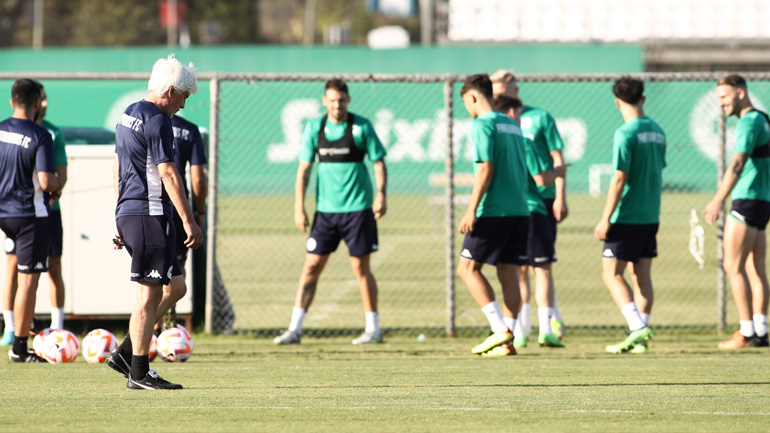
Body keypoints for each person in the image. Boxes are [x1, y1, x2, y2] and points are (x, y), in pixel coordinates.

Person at [107, 55, 202, 389]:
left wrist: (120, 214)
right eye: (184, 97)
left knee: (176, 288)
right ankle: (138, 372)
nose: (183, 105)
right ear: (171, 91)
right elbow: (168, 173)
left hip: (131, 212)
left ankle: (126, 352)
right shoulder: (158, 119)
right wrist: (189, 221)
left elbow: (118, 167)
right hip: (149, 214)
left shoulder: (128, 113)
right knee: (147, 298)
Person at [273, 79, 388, 346]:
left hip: (358, 210)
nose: (338, 105)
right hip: (325, 213)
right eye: (333, 101)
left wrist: (381, 193)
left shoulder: (361, 127)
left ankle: (373, 329)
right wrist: (299, 207)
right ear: (325, 101)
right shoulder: (316, 128)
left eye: (342, 100)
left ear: (349, 100)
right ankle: (294, 329)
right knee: (311, 267)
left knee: (361, 268)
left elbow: (379, 163)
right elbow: (304, 170)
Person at [490, 69, 567, 346]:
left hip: (534, 202)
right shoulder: (508, 132)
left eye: (501, 91)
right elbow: (545, 174)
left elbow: (556, 156)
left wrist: (560, 196)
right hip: (525, 206)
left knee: (532, 267)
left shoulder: (539, 118)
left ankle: (537, 325)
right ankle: (529, 328)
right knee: (532, 268)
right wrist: (558, 172)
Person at [455, 74, 529, 356]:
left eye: (465, 102)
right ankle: (508, 342)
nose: (467, 108)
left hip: (494, 209)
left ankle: (499, 329)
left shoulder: (482, 124)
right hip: (520, 209)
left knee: (467, 268)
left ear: (472, 97)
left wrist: (471, 209)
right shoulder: (512, 125)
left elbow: (486, 167)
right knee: (509, 273)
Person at [594, 76, 665, 354]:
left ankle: (637, 327)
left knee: (611, 273)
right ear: (643, 99)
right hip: (650, 214)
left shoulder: (625, 133)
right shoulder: (658, 130)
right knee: (641, 275)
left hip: (627, 215)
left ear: (617, 102)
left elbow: (619, 178)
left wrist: (605, 218)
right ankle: (641, 338)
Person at [704, 74, 770, 349]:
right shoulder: (763, 118)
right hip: (762, 200)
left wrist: (718, 199)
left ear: (740, 93)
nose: (721, 103)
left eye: (724, 96)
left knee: (733, 266)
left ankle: (746, 332)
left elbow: (737, 164)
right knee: (755, 267)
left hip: (746, 200)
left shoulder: (748, 121)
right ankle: (761, 331)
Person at [1, 81, 67, 346]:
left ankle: (19, 328)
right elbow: (47, 180)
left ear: (12, 102)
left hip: (5, 213)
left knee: (14, 270)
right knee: (29, 281)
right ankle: (19, 344)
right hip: (31, 215)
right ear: (37, 102)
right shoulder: (40, 135)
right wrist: (56, 188)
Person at [157, 114, 207, 331]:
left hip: (150, 203)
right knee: (178, 266)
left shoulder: (144, 122)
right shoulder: (190, 130)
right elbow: (198, 178)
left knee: (151, 273)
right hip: (177, 205)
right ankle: (168, 317)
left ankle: (152, 330)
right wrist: (199, 211)